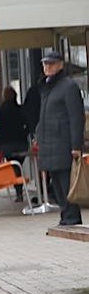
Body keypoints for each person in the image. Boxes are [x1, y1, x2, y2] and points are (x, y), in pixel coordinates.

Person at [34, 49, 84, 227]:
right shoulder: (47, 87)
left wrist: (76, 145)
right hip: (49, 143)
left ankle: (72, 216)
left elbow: (76, 117)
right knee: (55, 182)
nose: (48, 67)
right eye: (45, 64)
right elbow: (44, 116)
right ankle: (65, 215)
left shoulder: (68, 86)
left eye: (51, 64)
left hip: (63, 143)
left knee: (66, 182)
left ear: (60, 65)